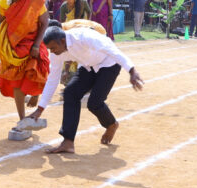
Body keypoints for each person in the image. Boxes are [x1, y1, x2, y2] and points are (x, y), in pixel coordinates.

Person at [29, 25, 145, 154]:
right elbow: (53, 79)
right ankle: (68, 142)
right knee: (70, 93)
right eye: (49, 49)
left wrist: (132, 71)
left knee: (94, 103)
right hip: (88, 66)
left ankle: (111, 124)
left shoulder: (84, 37)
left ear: (62, 41)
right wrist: (40, 109)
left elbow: (113, 50)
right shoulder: (57, 52)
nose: (52, 52)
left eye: (53, 48)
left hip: (108, 63)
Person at [0, 0, 50, 127]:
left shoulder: (36, 0)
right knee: (16, 83)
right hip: (13, 48)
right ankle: (22, 119)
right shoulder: (4, 2)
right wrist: (4, 45)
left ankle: (35, 95)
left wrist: (37, 45)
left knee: (36, 74)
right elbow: (2, 23)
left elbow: (45, 22)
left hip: (33, 44)